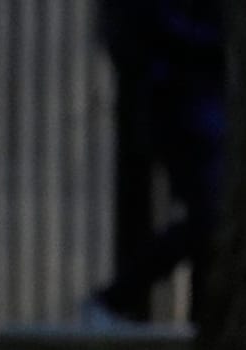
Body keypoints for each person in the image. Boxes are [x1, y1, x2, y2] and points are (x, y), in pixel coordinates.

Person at [87, 0, 225, 327]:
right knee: (211, 215)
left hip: (196, 107)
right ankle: (114, 299)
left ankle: (121, 300)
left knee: (211, 218)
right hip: (185, 109)